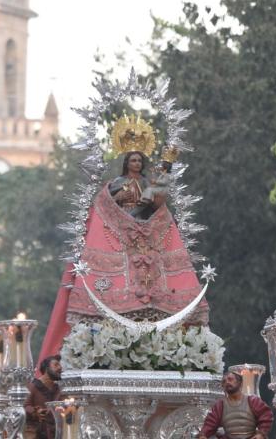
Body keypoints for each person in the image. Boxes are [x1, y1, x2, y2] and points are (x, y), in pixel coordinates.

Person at [38, 148, 208, 361]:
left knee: (153, 282)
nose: (136, 164)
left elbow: (157, 206)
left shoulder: (148, 184)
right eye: (133, 160)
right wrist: (121, 197)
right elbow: (105, 202)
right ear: (127, 162)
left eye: (139, 160)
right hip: (120, 232)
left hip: (145, 235)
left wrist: (158, 189)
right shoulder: (116, 182)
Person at [199, 372, 273, 439]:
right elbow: (210, 423)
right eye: (224, 381)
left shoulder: (253, 401)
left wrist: (261, 434)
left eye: (230, 379)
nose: (227, 382)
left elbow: (266, 416)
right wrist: (203, 435)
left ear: (239, 382)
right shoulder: (220, 405)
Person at [24, 355, 63, 439]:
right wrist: (36, 411)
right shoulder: (33, 386)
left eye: (60, 365)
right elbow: (25, 406)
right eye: (56, 365)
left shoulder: (59, 389)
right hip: (37, 434)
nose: (60, 368)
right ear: (46, 368)